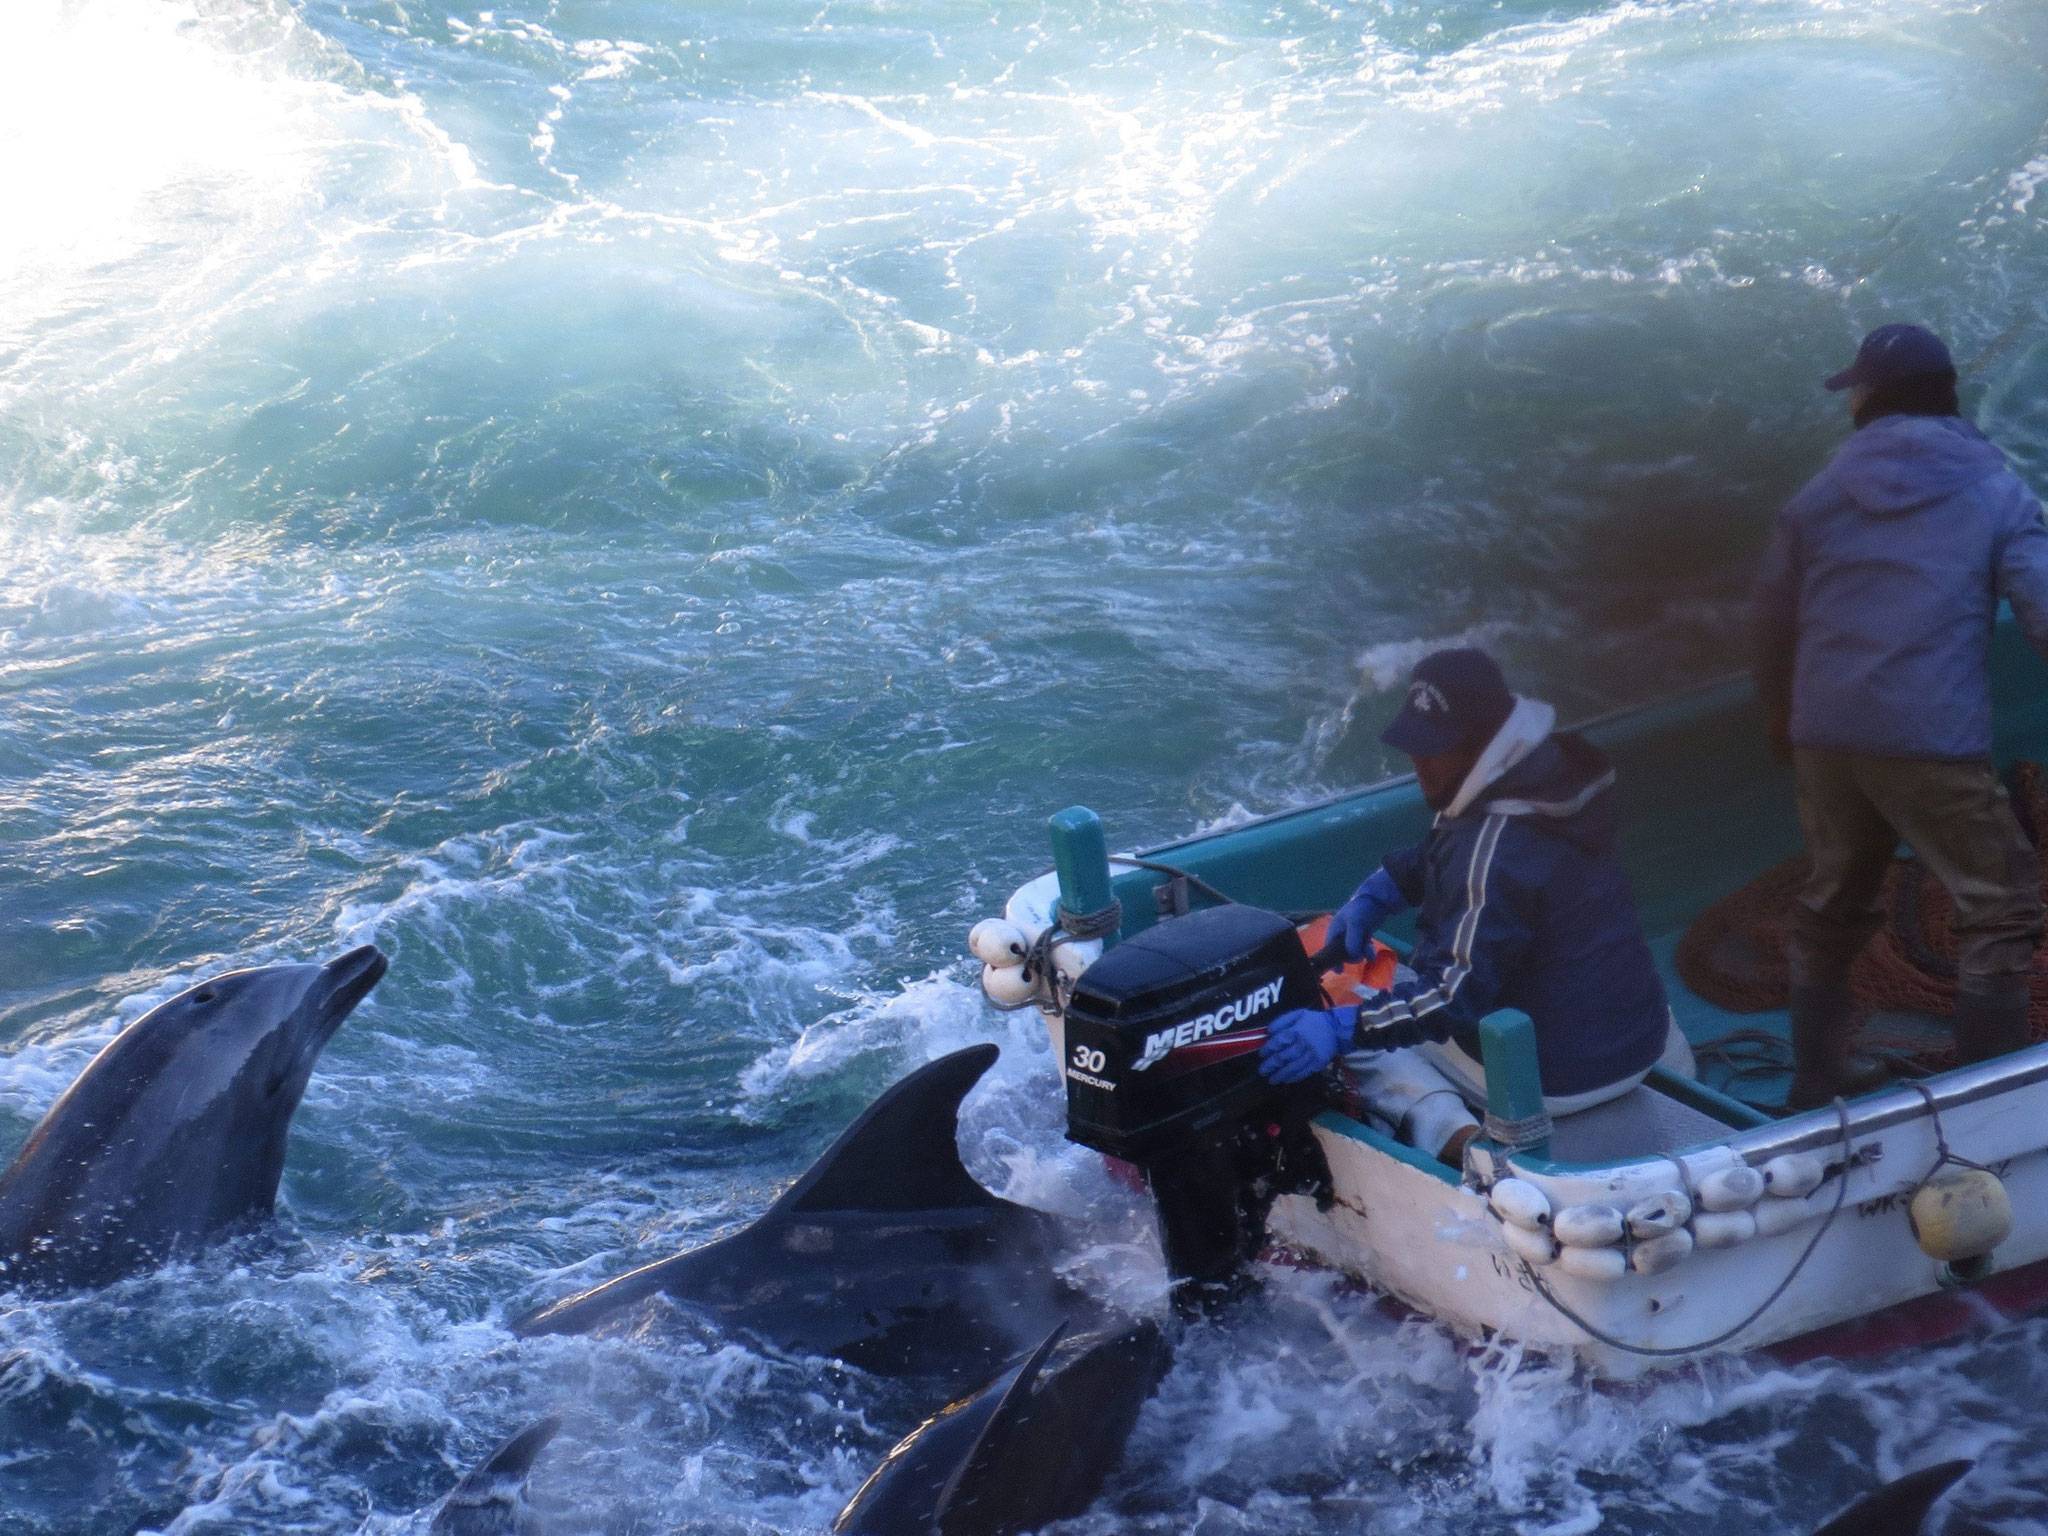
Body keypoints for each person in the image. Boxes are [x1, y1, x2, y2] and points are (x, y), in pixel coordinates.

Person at [1753, 322, 2048, 1107]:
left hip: (1824, 732)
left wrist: (1782, 715)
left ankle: (1817, 1077)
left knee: (1832, 899)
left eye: (1855, 387)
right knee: (2001, 903)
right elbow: (2043, 610)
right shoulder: (1996, 489)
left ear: (1875, 398)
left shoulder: (1816, 498)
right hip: (1928, 738)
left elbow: (1773, 618)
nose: (1850, 398)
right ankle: (1990, 1098)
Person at [1259, 647, 1686, 1165]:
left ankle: (1452, 1137)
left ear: (1481, 744)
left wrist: (1341, 1028)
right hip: (1641, 1038)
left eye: (1436, 749)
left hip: (1558, 1080)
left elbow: (1450, 997)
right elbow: (1459, 853)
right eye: (1416, 745)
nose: (1419, 762)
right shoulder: (1552, 773)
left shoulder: (1492, 848)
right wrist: (1383, 887)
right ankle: (1679, 1070)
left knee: (1358, 1013)